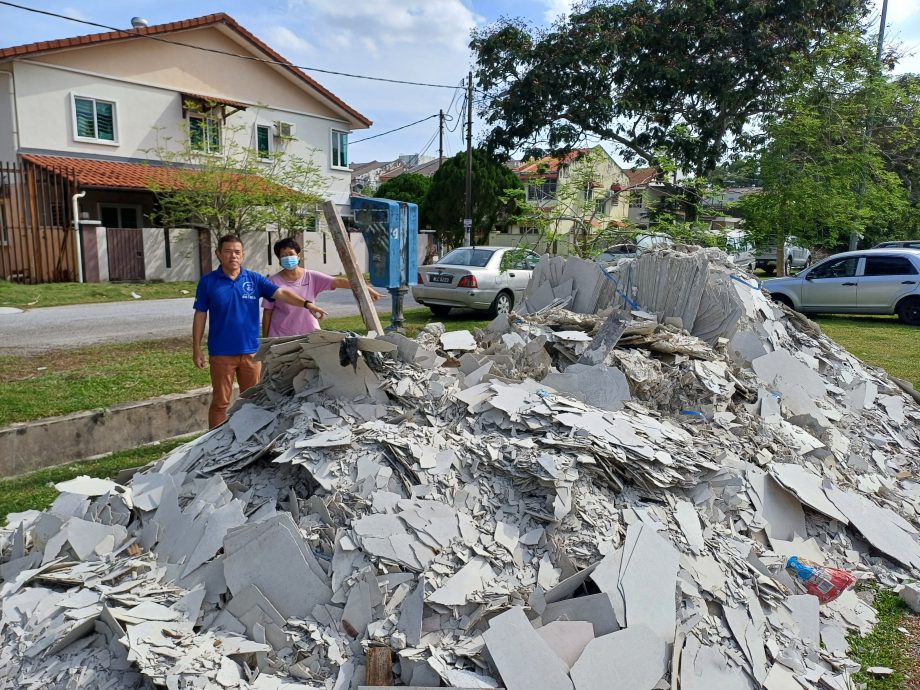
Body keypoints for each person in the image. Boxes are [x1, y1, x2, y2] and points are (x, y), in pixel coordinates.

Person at [192, 234, 329, 428]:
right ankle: (212, 442)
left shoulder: (253, 279)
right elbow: (200, 315)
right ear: (218, 254)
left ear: (243, 255)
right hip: (222, 352)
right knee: (220, 402)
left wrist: (307, 304)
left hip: (251, 352)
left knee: (253, 400)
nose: (233, 256)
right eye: (228, 251)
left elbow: (281, 293)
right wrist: (196, 348)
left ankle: (248, 439)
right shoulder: (208, 282)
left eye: (237, 252)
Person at [261, 237, 383, 338]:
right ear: (279, 259)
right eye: (283, 255)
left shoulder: (311, 276)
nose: (288, 258)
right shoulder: (273, 281)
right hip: (281, 336)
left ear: (298, 256)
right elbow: (267, 312)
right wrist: (266, 340)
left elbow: (338, 282)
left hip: (310, 334)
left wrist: (365, 288)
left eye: (291, 254)